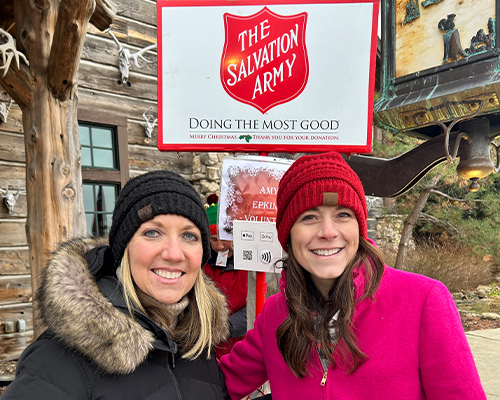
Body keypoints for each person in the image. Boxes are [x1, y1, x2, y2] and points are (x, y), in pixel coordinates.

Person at [220, 152, 486, 400]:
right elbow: (215, 383)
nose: (327, 231)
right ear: (288, 234)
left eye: (343, 215)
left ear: (359, 229)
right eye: (309, 217)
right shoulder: (276, 314)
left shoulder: (423, 301)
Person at [3, 170, 230, 400]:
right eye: (152, 232)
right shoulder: (57, 361)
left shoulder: (200, 350)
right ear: (124, 250)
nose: (173, 254)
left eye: (189, 236)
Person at [203, 194, 248, 359]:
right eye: (214, 239)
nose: (221, 246)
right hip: (206, 352)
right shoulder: (200, 265)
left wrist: (226, 327)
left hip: (241, 349)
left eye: (226, 239)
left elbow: (257, 305)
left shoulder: (249, 266)